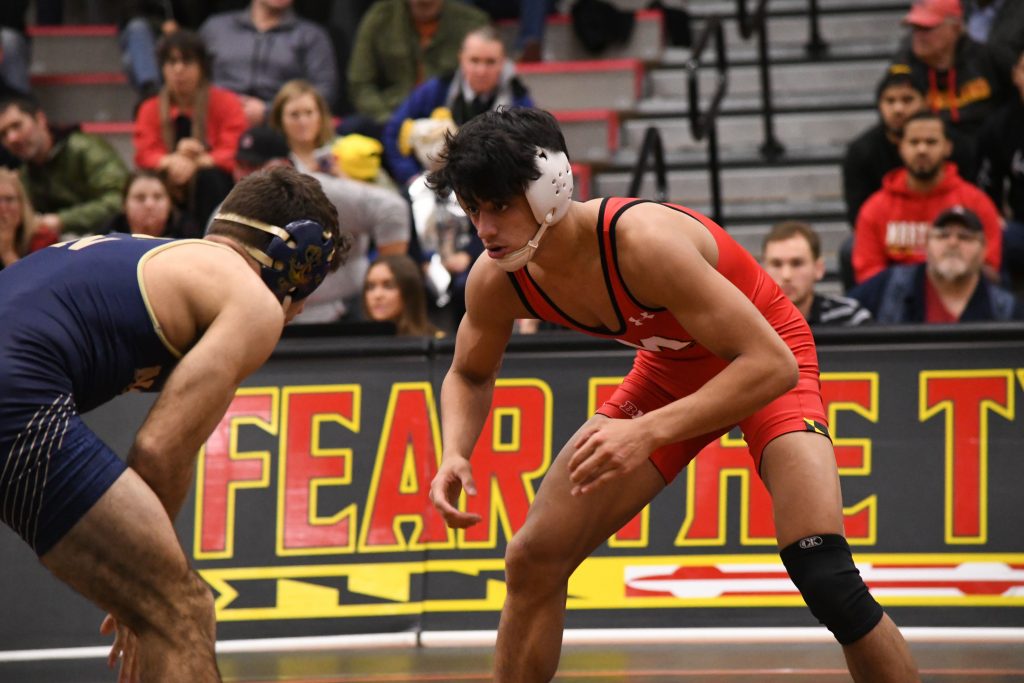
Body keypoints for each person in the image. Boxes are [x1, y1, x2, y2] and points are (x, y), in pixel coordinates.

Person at [426, 108, 919, 683]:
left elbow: (771, 366)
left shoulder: (641, 242)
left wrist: (647, 431)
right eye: (473, 209)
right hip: (672, 369)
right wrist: (455, 451)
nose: (484, 230)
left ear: (550, 189)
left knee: (824, 573)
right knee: (533, 560)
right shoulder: (498, 277)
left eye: (498, 207)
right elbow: (470, 374)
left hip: (760, 352)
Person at [0, 165, 350, 682]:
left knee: (160, 601)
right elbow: (160, 450)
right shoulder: (252, 301)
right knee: (183, 610)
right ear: (298, 260)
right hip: (15, 392)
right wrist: (146, 583)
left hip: (17, 384)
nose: (302, 304)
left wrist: (138, 577)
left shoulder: (165, 258)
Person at [233, 124, 410, 323]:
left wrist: (384, 278)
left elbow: (392, 208)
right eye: (239, 165)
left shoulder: (319, 191)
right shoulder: (231, 208)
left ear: (282, 165)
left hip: (346, 310)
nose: (244, 175)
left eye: (253, 166)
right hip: (272, 315)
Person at [852, 111, 1002, 285]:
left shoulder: (976, 202)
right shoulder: (875, 208)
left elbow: (989, 264)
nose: (922, 150)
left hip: (960, 291)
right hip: (896, 295)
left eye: (931, 142)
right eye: (914, 142)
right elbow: (868, 273)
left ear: (947, 147)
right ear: (900, 148)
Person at [383, 25, 534, 187]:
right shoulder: (437, 88)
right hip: (432, 182)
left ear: (503, 63)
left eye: (490, 62)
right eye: (474, 60)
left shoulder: (519, 100)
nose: (481, 71)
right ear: (461, 58)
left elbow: (529, 151)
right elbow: (394, 132)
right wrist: (412, 178)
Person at [133, 30, 245, 227]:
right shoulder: (149, 107)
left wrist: (198, 162)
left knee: (209, 178)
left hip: (214, 185)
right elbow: (145, 153)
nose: (179, 69)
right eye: (171, 62)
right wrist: (172, 161)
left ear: (202, 66)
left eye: (187, 62)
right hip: (168, 179)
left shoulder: (226, 102)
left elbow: (234, 150)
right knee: (145, 184)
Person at [849, 205, 1024, 323]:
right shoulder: (889, 286)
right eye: (943, 235)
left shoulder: (1006, 309)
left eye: (965, 237)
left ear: (984, 249)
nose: (953, 243)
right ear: (926, 245)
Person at [345, 0, 490, 134]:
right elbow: (360, 82)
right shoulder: (381, 17)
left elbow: (489, 78)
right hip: (389, 114)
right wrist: (388, 120)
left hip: (452, 117)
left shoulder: (472, 22)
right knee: (352, 129)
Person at [0, 95, 130, 238]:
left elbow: (118, 200)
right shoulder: (23, 174)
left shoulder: (84, 148)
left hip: (108, 237)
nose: (12, 138)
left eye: (17, 126)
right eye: (3, 134)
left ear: (40, 119)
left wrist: (61, 220)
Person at [200, 0, 339, 127]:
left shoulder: (311, 36)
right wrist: (226, 105)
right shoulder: (216, 28)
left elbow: (324, 92)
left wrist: (269, 110)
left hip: (281, 127)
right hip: (213, 120)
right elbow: (195, 79)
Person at [888, 0, 1010, 138]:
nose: (918, 36)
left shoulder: (988, 60)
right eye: (915, 28)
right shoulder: (902, 67)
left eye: (927, 28)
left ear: (955, 28)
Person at [761, 221, 871, 326]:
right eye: (776, 264)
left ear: (818, 268)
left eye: (797, 263)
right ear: (763, 270)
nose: (786, 275)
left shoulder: (850, 317)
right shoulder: (753, 323)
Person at [976, 49, 1024, 290]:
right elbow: (986, 182)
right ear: (1015, 75)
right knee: (994, 235)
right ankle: (1002, 310)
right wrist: (993, 216)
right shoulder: (1000, 126)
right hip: (1021, 230)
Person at [363, 253, 443, 337]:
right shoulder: (357, 340)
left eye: (388, 286)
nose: (377, 295)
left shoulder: (438, 341)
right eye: (370, 287)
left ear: (409, 291)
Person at [106, 169, 199, 239]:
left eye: (158, 197)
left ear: (170, 203)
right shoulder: (106, 238)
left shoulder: (189, 238)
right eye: (140, 198)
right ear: (124, 205)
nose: (149, 205)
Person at [0, 167, 56, 271]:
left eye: (9, 199)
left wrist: (7, 252)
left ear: (22, 204)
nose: (3, 208)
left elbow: (39, 279)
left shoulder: (43, 237)